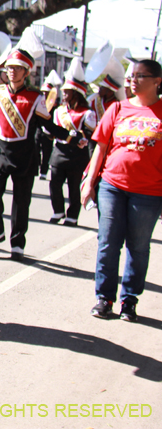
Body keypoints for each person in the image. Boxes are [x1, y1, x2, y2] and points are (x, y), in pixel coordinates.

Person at [0, 28, 76, 261]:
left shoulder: (36, 97)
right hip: (0, 150)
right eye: (9, 68)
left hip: (25, 153)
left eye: (17, 68)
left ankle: (17, 243)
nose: (11, 72)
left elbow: (48, 126)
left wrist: (72, 136)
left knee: (21, 201)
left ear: (26, 72)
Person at [82, 60, 162, 323]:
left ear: (157, 81)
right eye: (132, 75)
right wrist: (89, 182)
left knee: (138, 247)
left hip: (149, 192)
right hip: (112, 186)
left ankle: (130, 300)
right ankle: (104, 298)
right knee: (107, 243)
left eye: (141, 76)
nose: (133, 80)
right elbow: (100, 149)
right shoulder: (117, 108)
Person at [47, 71, 95, 226]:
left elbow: (90, 133)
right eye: (64, 91)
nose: (64, 94)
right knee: (54, 183)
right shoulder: (58, 111)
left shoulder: (87, 113)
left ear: (77, 93)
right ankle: (58, 211)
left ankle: (72, 216)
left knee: (74, 187)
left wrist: (79, 135)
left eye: (67, 91)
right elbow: (54, 131)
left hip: (77, 154)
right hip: (59, 151)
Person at [35, 80, 58, 180]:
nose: (45, 93)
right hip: (38, 130)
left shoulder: (54, 106)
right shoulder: (38, 103)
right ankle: (36, 167)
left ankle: (44, 171)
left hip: (48, 132)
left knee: (46, 152)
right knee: (35, 149)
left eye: (47, 92)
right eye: (43, 91)